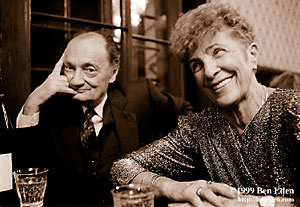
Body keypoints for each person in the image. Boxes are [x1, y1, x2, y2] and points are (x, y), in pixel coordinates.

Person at [110, 3, 299, 207]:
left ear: (252, 55)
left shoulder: (293, 111)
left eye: (218, 51)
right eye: (197, 64)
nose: (208, 72)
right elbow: (122, 168)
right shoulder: (199, 129)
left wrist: (255, 204)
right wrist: (175, 188)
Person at [12, 31, 193, 206]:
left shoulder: (141, 95)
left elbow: (188, 117)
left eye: (89, 70)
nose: (75, 80)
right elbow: (26, 176)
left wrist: (164, 165)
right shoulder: (52, 109)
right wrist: (32, 103)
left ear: (113, 73)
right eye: (69, 68)